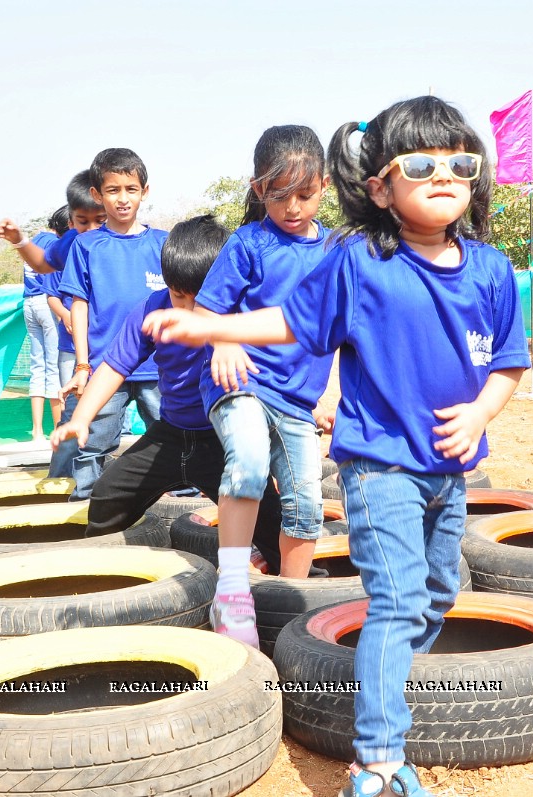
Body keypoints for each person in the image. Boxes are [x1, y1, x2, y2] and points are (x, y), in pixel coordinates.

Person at [143, 96, 530, 797]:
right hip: (377, 465)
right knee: (396, 597)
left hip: (450, 471)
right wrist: (211, 331)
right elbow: (290, 321)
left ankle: (377, 671)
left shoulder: (491, 270)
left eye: (460, 161)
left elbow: (507, 362)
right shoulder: (357, 259)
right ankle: (379, 756)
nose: (444, 173)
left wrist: (479, 414)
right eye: (420, 162)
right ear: (379, 185)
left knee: (437, 592)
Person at [49, 215, 286, 570]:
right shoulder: (150, 310)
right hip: (169, 435)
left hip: (223, 439)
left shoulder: (240, 316)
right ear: (166, 284)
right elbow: (114, 367)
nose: (187, 310)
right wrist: (81, 418)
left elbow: (282, 362)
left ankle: (290, 582)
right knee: (107, 494)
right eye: (179, 296)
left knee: (269, 516)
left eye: (200, 300)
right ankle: (95, 570)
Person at [190, 125, 334, 644]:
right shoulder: (249, 243)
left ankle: (288, 609)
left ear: (325, 185)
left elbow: (342, 329)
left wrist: (331, 399)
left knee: (305, 504)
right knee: (248, 461)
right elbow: (208, 310)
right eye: (279, 196)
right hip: (243, 383)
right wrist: (224, 341)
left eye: (305, 193)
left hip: (297, 401)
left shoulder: (336, 253)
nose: (293, 206)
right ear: (258, 190)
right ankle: (231, 592)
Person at [57, 148, 165, 499]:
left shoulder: (165, 244)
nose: (122, 199)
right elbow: (79, 305)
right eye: (113, 190)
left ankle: (180, 503)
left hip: (158, 367)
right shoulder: (86, 245)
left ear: (145, 191)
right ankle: (87, 500)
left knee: (174, 437)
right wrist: (83, 365)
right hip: (105, 368)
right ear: (97, 194)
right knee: (93, 443)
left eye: (131, 189)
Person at [40, 172, 108, 477]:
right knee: (73, 411)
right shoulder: (69, 246)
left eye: (100, 220)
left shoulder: (124, 244)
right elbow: (56, 294)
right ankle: (62, 478)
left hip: (113, 350)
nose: (92, 229)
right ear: (71, 220)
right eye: (83, 221)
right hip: (76, 349)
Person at [18, 207, 67, 439]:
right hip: (47, 302)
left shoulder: (33, 240)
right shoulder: (52, 242)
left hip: (28, 303)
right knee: (55, 366)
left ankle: (37, 431)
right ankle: (58, 427)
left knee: (37, 366)